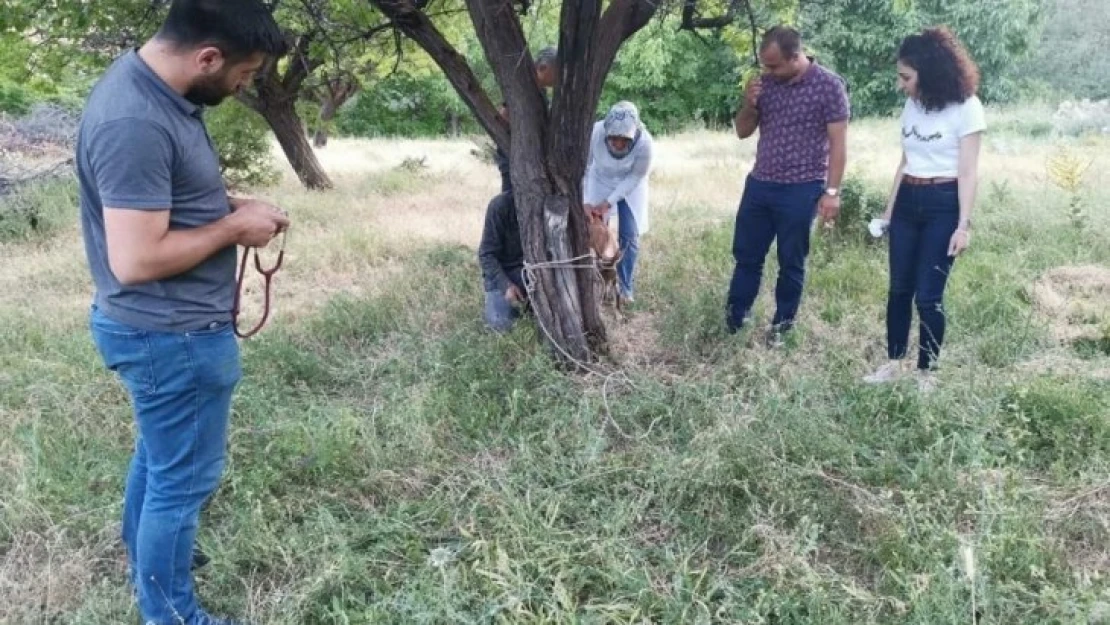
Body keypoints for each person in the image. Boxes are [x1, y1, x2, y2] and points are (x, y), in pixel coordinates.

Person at [76, 1, 290, 623]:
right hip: (170, 333)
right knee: (183, 479)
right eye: (244, 74)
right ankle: (169, 612)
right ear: (207, 57)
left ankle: (147, 559)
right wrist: (231, 228)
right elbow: (137, 259)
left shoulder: (149, 87)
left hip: (160, 329)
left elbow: (152, 195)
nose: (244, 85)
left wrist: (222, 203)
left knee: (162, 456)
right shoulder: (134, 120)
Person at [863, 27, 985, 389]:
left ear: (929, 73)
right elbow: (905, 161)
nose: (901, 84)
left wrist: (963, 225)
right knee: (899, 289)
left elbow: (968, 171)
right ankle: (893, 363)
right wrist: (888, 212)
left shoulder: (967, 108)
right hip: (907, 203)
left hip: (943, 204)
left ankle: (926, 372)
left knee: (928, 296)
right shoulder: (912, 105)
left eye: (906, 77)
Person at [726, 26, 850, 343]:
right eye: (764, 65)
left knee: (791, 262)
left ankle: (781, 329)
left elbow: (838, 144)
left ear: (796, 57)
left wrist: (832, 192)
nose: (767, 72)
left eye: (774, 65)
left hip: (802, 187)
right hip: (760, 185)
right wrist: (750, 104)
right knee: (746, 257)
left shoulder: (829, 86)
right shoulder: (764, 85)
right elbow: (741, 131)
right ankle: (734, 322)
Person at [583, 101, 654, 305]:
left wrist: (610, 201)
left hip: (631, 185)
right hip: (599, 178)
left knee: (629, 235)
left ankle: (625, 287)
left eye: (624, 139)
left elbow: (635, 178)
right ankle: (598, 281)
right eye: (614, 138)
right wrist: (587, 201)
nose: (619, 144)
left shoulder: (645, 145)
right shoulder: (594, 133)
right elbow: (584, 167)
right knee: (595, 229)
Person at [493, 45, 559, 193]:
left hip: (530, 157)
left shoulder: (541, 91)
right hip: (512, 155)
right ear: (543, 68)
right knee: (511, 196)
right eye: (557, 71)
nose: (559, 76)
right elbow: (503, 115)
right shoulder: (523, 86)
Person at [478, 191, 526, 332]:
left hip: (534, 273)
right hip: (504, 275)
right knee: (501, 326)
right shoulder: (500, 206)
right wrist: (506, 285)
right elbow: (486, 254)